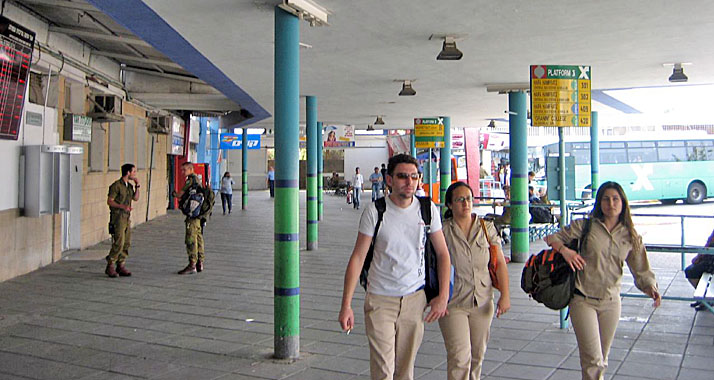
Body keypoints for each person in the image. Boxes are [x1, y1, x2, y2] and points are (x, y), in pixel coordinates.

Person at [339, 154, 451, 380]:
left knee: (405, 371)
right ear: (389, 180)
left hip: (414, 299)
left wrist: (443, 297)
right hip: (380, 300)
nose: (409, 182)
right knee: (384, 371)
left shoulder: (427, 209)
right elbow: (358, 258)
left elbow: (443, 254)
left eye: (414, 177)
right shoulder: (376, 211)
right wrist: (346, 305)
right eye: (402, 177)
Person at [544, 181, 661, 380]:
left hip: (611, 303)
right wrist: (566, 252)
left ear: (623, 203)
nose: (611, 204)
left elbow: (640, 269)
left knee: (601, 360)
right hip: (582, 300)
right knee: (593, 360)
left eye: (616, 199)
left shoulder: (630, 235)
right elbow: (553, 237)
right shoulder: (586, 226)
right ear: (599, 203)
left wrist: (651, 287)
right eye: (606, 199)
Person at [439, 182, 510, 380]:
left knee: (477, 356)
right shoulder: (442, 231)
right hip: (453, 304)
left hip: (482, 301)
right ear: (450, 205)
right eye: (460, 199)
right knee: (459, 357)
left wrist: (505, 295)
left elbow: (500, 264)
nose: (465, 203)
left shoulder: (486, 228)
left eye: (469, 198)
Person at [105, 163, 140, 278]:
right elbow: (110, 201)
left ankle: (121, 264)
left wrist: (137, 186)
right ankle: (111, 264)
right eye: (133, 171)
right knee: (119, 241)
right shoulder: (116, 186)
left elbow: (135, 198)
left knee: (127, 242)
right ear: (128, 172)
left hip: (126, 217)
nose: (135, 174)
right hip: (118, 217)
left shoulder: (129, 186)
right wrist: (122, 206)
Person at [173, 162, 206, 275]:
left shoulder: (191, 180)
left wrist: (174, 194)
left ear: (191, 169)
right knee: (198, 237)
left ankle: (192, 264)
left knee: (191, 238)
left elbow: (180, 194)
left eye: (184, 170)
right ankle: (200, 262)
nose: (182, 172)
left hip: (192, 215)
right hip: (199, 214)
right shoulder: (198, 180)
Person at [685, 229, 714, 311]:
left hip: (711, 261)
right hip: (709, 257)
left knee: (691, 271)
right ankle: (704, 298)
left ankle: (706, 299)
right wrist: (699, 256)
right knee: (690, 270)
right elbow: (709, 243)